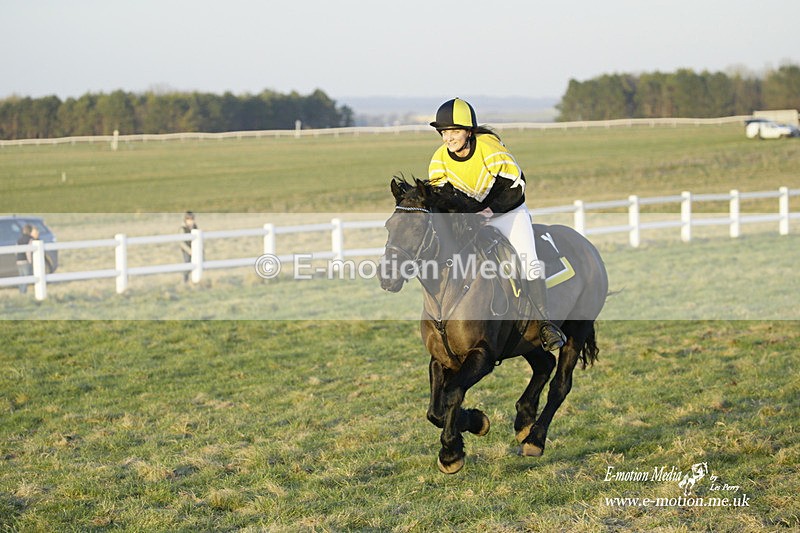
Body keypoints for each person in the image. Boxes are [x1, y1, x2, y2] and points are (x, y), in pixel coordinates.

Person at [427, 98, 566, 351]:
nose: (449, 138)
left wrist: (490, 211)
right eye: (444, 132)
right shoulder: (438, 159)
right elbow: (443, 197)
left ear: (469, 132)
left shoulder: (490, 148)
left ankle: (545, 324)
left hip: (508, 213)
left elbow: (516, 186)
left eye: (454, 131)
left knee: (527, 259)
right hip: (471, 221)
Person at [15, 224, 37, 294]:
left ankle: (21, 291)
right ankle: (23, 292)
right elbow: (28, 251)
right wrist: (30, 261)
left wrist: (17, 259)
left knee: (21, 277)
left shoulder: (19, 239)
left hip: (19, 261)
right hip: (25, 261)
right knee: (26, 277)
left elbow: (16, 250)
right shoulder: (30, 239)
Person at [180, 211, 197, 282]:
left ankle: (194, 279)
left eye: (191, 219)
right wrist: (189, 250)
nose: (190, 221)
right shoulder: (183, 229)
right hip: (186, 250)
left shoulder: (195, 227)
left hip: (194, 249)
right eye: (188, 219)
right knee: (187, 263)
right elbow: (181, 242)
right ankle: (185, 280)